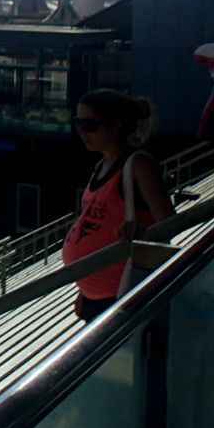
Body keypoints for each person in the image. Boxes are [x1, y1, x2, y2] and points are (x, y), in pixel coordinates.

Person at [59, 89, 175, 323]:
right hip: (94, 297)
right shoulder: (101, 167)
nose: (81, 132)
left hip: (122, 294)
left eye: (89, 125)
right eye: (78, 123)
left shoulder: (138, 165)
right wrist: (83, 291)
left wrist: (143, 232)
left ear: (115, 126)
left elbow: (169, 223)